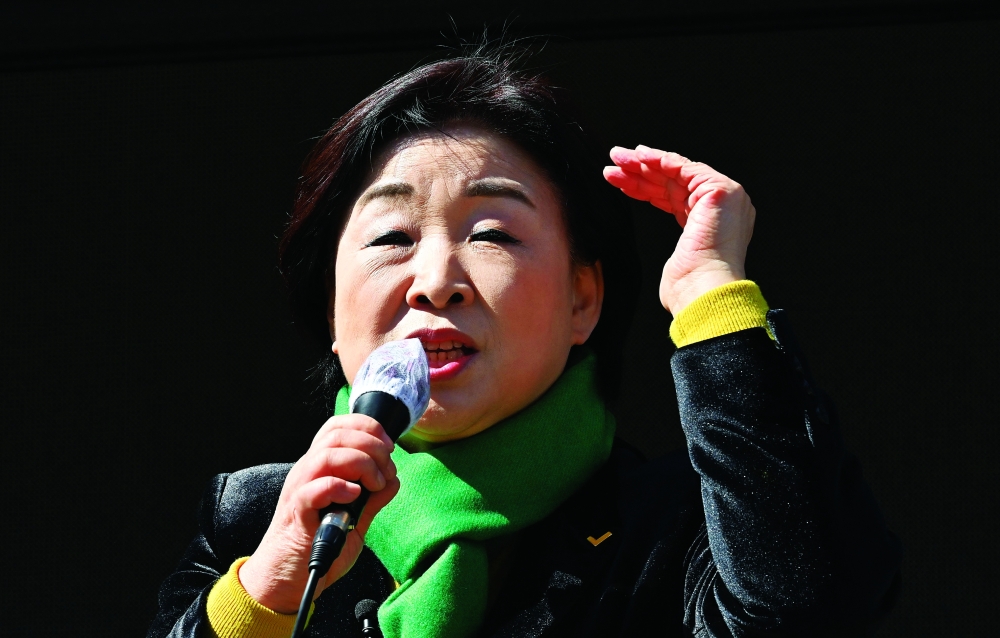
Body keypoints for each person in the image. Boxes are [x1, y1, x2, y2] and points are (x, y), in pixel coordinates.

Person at [147, 46, 901, 638]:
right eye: (391, 237)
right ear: (331, 302)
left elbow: (803, 614)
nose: (435, 282)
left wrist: (712, 292)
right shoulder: (254, 520)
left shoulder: (684, 524)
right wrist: (267, 594)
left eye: (492, 234)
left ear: (583, 299)